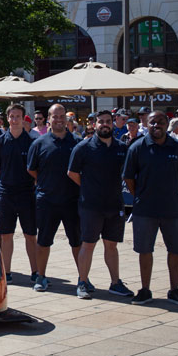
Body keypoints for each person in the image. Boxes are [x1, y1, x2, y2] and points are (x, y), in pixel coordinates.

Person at [123, 110, 178, 306]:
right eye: (153, 122)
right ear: (147, 123)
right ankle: (145, 290)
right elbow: (128, 178)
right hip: (145, 209)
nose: (156, 126)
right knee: (145, 250)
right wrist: (141, 196)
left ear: (167, 124)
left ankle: (174, 290)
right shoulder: (137, 147)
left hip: (172, 208)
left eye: (161, 122)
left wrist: (173, 192)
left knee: (176, 250)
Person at [67, 110, 133, 299]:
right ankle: (82, 282)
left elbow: (128, 172)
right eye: (101, 122)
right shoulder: (83, 147)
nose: (105, 124)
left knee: (111, 246)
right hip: (91, 206)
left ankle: (115, 283)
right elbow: (72, 173)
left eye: (108, 121)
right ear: (94, 125)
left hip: (114, 205)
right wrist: (89, 186)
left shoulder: (121, 147)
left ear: (112, 124)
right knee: (88, 244)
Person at [27, 104, 81, 293]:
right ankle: (41, 277)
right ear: (48, 119)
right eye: (54, 116)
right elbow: (31, 169)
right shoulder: (39, 143)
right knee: (43, 241)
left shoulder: (76, 142)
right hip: (47, 200)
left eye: (61, 116)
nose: (58, 120)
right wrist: (45, 182)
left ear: (66, 119)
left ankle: (83, 279)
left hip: (72, 200)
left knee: (77, 242)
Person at [0, 104, 38, 283]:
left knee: (30, 235)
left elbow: (36, 170)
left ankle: (35, 271)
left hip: (27, 193)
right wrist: (7, 182)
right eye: (12, 116)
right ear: (8, 119)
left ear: (24, 119)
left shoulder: (32, 142)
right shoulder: (0, 142)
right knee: (6, 234)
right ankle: (6, 272)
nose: (15, 119)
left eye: (18, 116)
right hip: (6, 193)